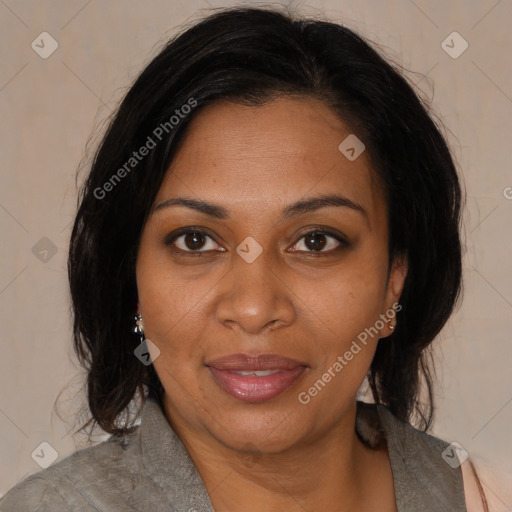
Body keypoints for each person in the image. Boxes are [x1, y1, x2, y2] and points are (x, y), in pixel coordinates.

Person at [0, 6, 489, 511]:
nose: (254, 308)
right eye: (195, 241)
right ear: (132, 281)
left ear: (394, 282)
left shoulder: (484, 495)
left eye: (316, 241)